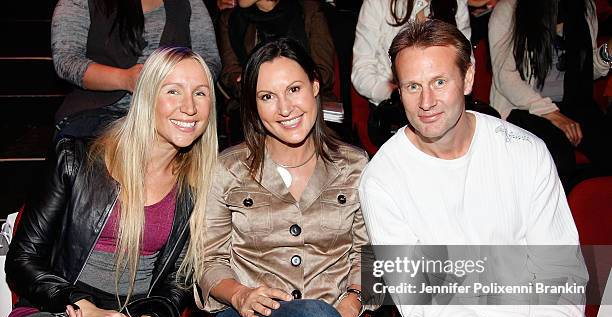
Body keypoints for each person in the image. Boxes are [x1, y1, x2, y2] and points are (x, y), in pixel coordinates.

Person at [359, 19, 612, 317]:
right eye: (412, 86)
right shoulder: (381, 178)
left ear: (469, 76)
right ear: (399, 89)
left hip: (534, 305)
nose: (426, 101)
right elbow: (420, 300)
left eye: (439, 82)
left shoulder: (524, 151)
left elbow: (558, 266)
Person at [0, 47, 218, 317]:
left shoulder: (201, 187)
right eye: (173, 90)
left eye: (200, 92)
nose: (190, 106)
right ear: (146, 96)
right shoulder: (77, 158)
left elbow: (178, 285)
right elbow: (23, 260)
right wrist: (83, 307)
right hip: (52, 311)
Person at [194, 38, 385, 317]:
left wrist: (351, 304)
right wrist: (238, 294)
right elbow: (207, 259)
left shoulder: (356, 166)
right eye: (267, 97)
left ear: (315, 87)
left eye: (294, 89)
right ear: (253, 104)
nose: (285, 108)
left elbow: (372, 255)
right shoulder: (227, 169)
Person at [51, 0, 221, 140]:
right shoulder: (79, 3)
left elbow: (209, 61)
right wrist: (125, 79)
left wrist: (183, 86)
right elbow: (67, 61)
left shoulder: (189, 3)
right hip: (104, 112)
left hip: (174, 113)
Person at [489, 0, 612, 188]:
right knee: (559, 159)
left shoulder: (584, 7)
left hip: (574, 103)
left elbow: (585, 71)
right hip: (525, 108)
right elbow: (505, 78)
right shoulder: (509, 9)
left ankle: (586, 209)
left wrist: (607, 54)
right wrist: (552, 114)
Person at [351, 0, 472, 146]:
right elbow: (362, 71)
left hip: (446, 106)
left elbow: (466, 62)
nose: (426, 103)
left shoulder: (456, 3)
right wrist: (403, 92)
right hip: (393, 111)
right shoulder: (378, 3)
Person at [216, 0, 336, 143]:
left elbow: (324, 71)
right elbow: (230, 74)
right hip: (251, 102)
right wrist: (256, 85)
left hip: (306, 98)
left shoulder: (307, 11)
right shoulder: (230, 20)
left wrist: (295, 82)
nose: (284, 109)